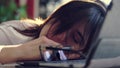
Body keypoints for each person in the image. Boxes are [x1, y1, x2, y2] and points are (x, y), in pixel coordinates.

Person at [0, 0, 112, 64]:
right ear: (54, 15)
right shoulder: (12, 33)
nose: (61, 35)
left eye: (75, 38)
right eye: (62, 22)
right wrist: (17, 52)